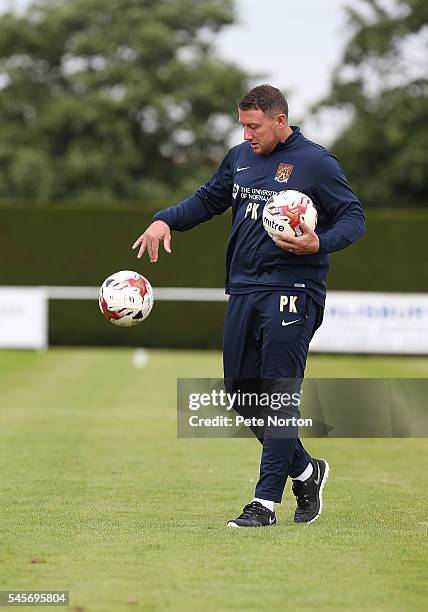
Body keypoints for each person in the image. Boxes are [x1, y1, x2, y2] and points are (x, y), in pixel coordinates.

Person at [132, 84, 365, 528]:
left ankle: (264, 504)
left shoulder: (316, 162)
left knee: (278, 397)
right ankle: (306, 470)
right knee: (241, 394)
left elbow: (354, 216)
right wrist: (166, 219)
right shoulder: (240, 158)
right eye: (242, 125)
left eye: (253, 126)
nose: (247, 135)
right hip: (243, 289)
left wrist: (320, 242)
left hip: (293, 289)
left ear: (281, 121)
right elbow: (207, 199)